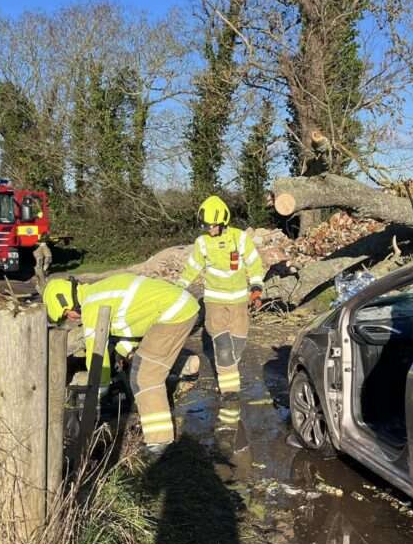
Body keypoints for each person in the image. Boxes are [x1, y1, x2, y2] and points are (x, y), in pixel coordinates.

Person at [43, 274, 198, 455]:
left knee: (145, 376)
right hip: (175, 308)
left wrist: (99, 389)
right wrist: (121, 354)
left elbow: (97, 353)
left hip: (174, 313)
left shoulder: (93, 306)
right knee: (142, 365)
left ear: (67, 303)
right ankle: (184, 369)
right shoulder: (97, 293)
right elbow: (130, 326)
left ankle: (160, 443)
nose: (71, 319)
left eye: (66, 314)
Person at [177, 195, 266, 430]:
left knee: (237, 344)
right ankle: (230, 393)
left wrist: (256, 287)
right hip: (215, 302)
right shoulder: (202, 243)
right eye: (206, 225)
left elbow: (254, 263)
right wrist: (178, 288)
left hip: (238, 302)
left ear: (224, 221)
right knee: (223, 347)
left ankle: (228, 372)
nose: (210, 229)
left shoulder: (240, 238)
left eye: (213, 225)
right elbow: (193, 268)